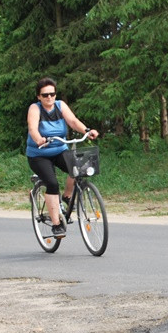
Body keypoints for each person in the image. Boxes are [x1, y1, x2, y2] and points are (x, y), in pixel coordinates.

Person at [25, 77, 97, 238]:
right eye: (45, 95)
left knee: (79, 168)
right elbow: (32, 128)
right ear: (39, 97)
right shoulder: (35, 109)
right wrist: (39, 140)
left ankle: (67, 196)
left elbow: (72, 121)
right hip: (39, 154)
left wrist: (87, 130)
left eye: (52, 94)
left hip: (59, 149)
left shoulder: (60, 105)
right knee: (52, 184)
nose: (49, 97)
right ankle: (56, 224)